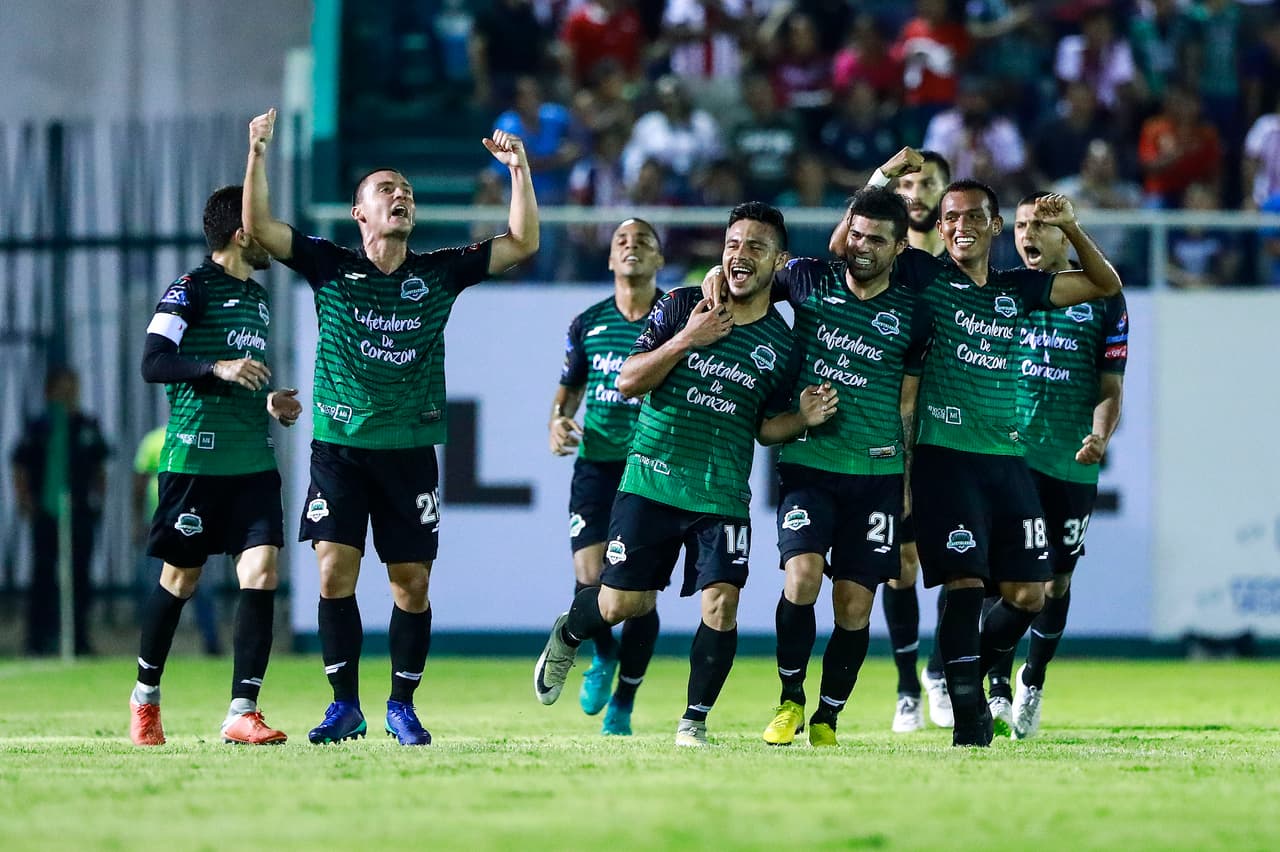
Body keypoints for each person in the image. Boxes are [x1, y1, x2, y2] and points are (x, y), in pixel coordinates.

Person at [243, 108, 539, 746]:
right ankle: (343, 704)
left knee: (411, 583)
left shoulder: (438, 272)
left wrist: (519, 171)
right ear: (360, 214)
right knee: (332, 573)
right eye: (386, 191)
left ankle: (402, 704)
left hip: (408, 452)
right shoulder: (330, 265)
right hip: (340, 450)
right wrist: (258, 154)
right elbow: (260, 227)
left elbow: (521, 243)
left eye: (406, 191)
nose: (401, 196)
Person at [837, 148, 1123, 746]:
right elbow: (849, 245)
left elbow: (1105, 283)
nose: (962, 226)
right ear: (938, 228)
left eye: (975, 217)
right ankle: (968, 713)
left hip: (1007, 460)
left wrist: (1069, 224)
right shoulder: (923, 274)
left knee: (1028, 594)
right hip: (946, 459)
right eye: (951, 218)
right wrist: (884, 178)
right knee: (965, 583)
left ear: (994, 227)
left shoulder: (1021, 289)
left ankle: (957, 663)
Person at [533, 203, 831, 747]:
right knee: (621, 604)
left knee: (722, 600)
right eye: (733, 245)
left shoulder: (785, 344)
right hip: (650, 479)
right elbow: (627, 382)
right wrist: (687, 339)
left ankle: (692, 721)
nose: (740, 256)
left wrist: (801, 419)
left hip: (721, 491)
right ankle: (570, 631)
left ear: (780, 262)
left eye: (756, 247)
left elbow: (766, 430)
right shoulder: (682, 305)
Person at [128, 185, 302, 746]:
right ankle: (145, 696)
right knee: (180, 579)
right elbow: (153, 363)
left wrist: (270, 400)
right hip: (195, 463)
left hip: (252, 459)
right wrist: (216, 369)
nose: (272, 234)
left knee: (262, 573)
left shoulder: (257, 297)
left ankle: (242, 710)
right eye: (263, 223)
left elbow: (246, 376)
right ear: (240, 231)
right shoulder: (190, 288)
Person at [758, 186, 932, 747]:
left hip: (877, 476)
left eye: (875, 240)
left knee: (855, 605)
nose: (860, 247)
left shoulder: (913, 314)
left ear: (899, 247)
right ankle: (789, 698)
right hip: (810, 461)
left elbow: (908, 403)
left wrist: (906, 480)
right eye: (854, 234)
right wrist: (713, 282)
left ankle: (828, 715)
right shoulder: (809, 278)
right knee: (802, 577)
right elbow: (748, 273)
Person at [982, 192, 1128, 739]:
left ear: (1065, 237)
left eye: (1041, 227)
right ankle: (994, 688)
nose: (1028, 236)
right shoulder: (1000, 292)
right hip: (1008, 456)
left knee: (1057, 582)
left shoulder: (1105, 301)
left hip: (1069, 463)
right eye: (1021, 226)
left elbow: (1111, 388)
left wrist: (1099, 434)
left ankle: (1032, 681)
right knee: (1001, 577)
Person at [830, 150, 954, 732]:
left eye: (929, 182)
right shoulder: (887, 257)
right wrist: (876, 177)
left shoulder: (956, 263)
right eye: (909, 182)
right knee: (901, 562)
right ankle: (907, 687)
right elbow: (840, 247)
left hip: (956, 425)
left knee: (961, 559)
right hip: (899, 421)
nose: (918, 191)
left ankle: (939, 670)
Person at [550, 218, 665, 735]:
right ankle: (601, 654)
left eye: (643, 241)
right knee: (589, 576)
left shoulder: (676, 316)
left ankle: (625, 700)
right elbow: (569, 387)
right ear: (611, 259)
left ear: (660, 260)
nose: (632, 246)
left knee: (641, 594)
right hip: (595, 464)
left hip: (651, 468)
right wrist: (557, 420)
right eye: (622, 241)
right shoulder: (588, 322)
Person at [11, 367, 109, 657]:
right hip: (46, 511)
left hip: (78, 511)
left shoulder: (86, 425)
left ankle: (79, 639)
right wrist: (25, 501)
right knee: (43, 574)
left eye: (72, 388)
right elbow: (20, 465)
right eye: (62, 389)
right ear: (49, 391)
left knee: (80, 576)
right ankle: (37, 640)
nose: (68, 395)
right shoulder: (38, 426)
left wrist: (97, 500)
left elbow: (99, 467)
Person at [133, 425, 221, 657]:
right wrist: (138, 520)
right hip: (161, 524)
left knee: (200, 588)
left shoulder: (202, 437)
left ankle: (211, 643)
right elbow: (140, 483)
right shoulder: (154, 440)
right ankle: (151, 646)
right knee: (157, 588)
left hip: (196, 525)